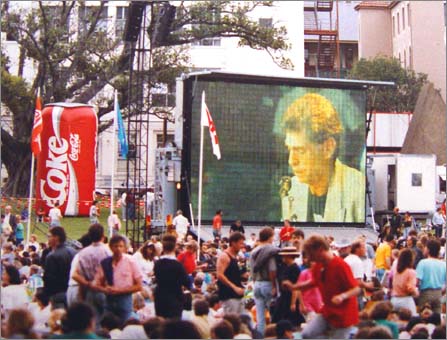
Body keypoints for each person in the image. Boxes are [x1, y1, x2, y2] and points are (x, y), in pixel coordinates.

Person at [280, 93, 364, 222]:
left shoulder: (358, 189)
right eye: (290, 149)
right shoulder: (292, 189)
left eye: (301, 150)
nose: (291, 161)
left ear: (328, 148)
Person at [283, 235, 360, 339]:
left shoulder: (341, 266)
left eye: (311, 254)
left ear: (320, 250)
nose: (309, 258)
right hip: (327, 312)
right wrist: (294, 287)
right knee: (307, 334)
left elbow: (356, 289)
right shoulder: (319, 265)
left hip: (344, 316)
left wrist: (342, 296)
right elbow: (313, 282)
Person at [92, 235, 142, 323]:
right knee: (108, 325)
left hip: (125, 300)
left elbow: (139, 286)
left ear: (124, 248)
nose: (118, 249)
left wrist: (120, 290)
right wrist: (105, 290)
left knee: (124, 324)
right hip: (109, 300)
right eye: (116, 246)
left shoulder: (131, 262)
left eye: (121, 246)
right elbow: (96, 284)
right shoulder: (105, 263)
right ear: (111, 247)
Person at [71, 224, 111, 320]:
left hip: (89, 290)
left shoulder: (83, 253)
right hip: (103, 289)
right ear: (103, 236)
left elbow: (76, 274)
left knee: (92, 320)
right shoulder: (107, 251)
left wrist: (88, 284)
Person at [153, 234, 190, 319]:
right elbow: (187, 282)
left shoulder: (158, 264)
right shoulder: (178, 265)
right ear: (174, 247)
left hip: (160, 298)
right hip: (175, 298)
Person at [249, 227, 278, 335]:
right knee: (272, 313)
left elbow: (251, 270)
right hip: (268, 283)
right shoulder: (269, 250)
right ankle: (272, 336)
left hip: (256, 283)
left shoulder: (253, 251)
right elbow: (272, 269)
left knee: (260, 317)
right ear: (270, 237)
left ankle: (260, 336)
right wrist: (274, 285)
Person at [43, 226, 76, 308]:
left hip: (58, 294)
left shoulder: (52, 256)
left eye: (49, 236)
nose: (48, 239)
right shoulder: (73, 251)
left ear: (56, 237)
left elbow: (48, 280)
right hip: (73, 292)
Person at [272, 247, 305, 328]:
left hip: (290, 298)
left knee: (290, 321)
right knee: (277, 318)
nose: (283, 258)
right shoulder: (285, 267)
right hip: (283, 296)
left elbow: (296, 287)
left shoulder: (294, 268)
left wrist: (293, 303)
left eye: (284, 256)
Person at [216, 231, 246, 314]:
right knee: (231, 321)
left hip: (238, 295)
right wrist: (234, 287)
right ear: (233, 243)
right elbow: (220, 275)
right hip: (229, 295)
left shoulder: (236, 257)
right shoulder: (224, 256)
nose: (242, 246)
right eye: (240, 243)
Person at [415, 239, 446, 313]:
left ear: (428, 250)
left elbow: (417, 281)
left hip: (425, 293)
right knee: (437, 317)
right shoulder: (443, 264)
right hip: (438, 293)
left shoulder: (423, 263)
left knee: (423, 315)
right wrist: (442, 291)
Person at [390, 248, 419, 316]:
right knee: (413, 320)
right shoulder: (411, 272)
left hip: (394, 300)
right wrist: (416, 292)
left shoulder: (396, 271)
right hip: (406, 300)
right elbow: (410, 288)